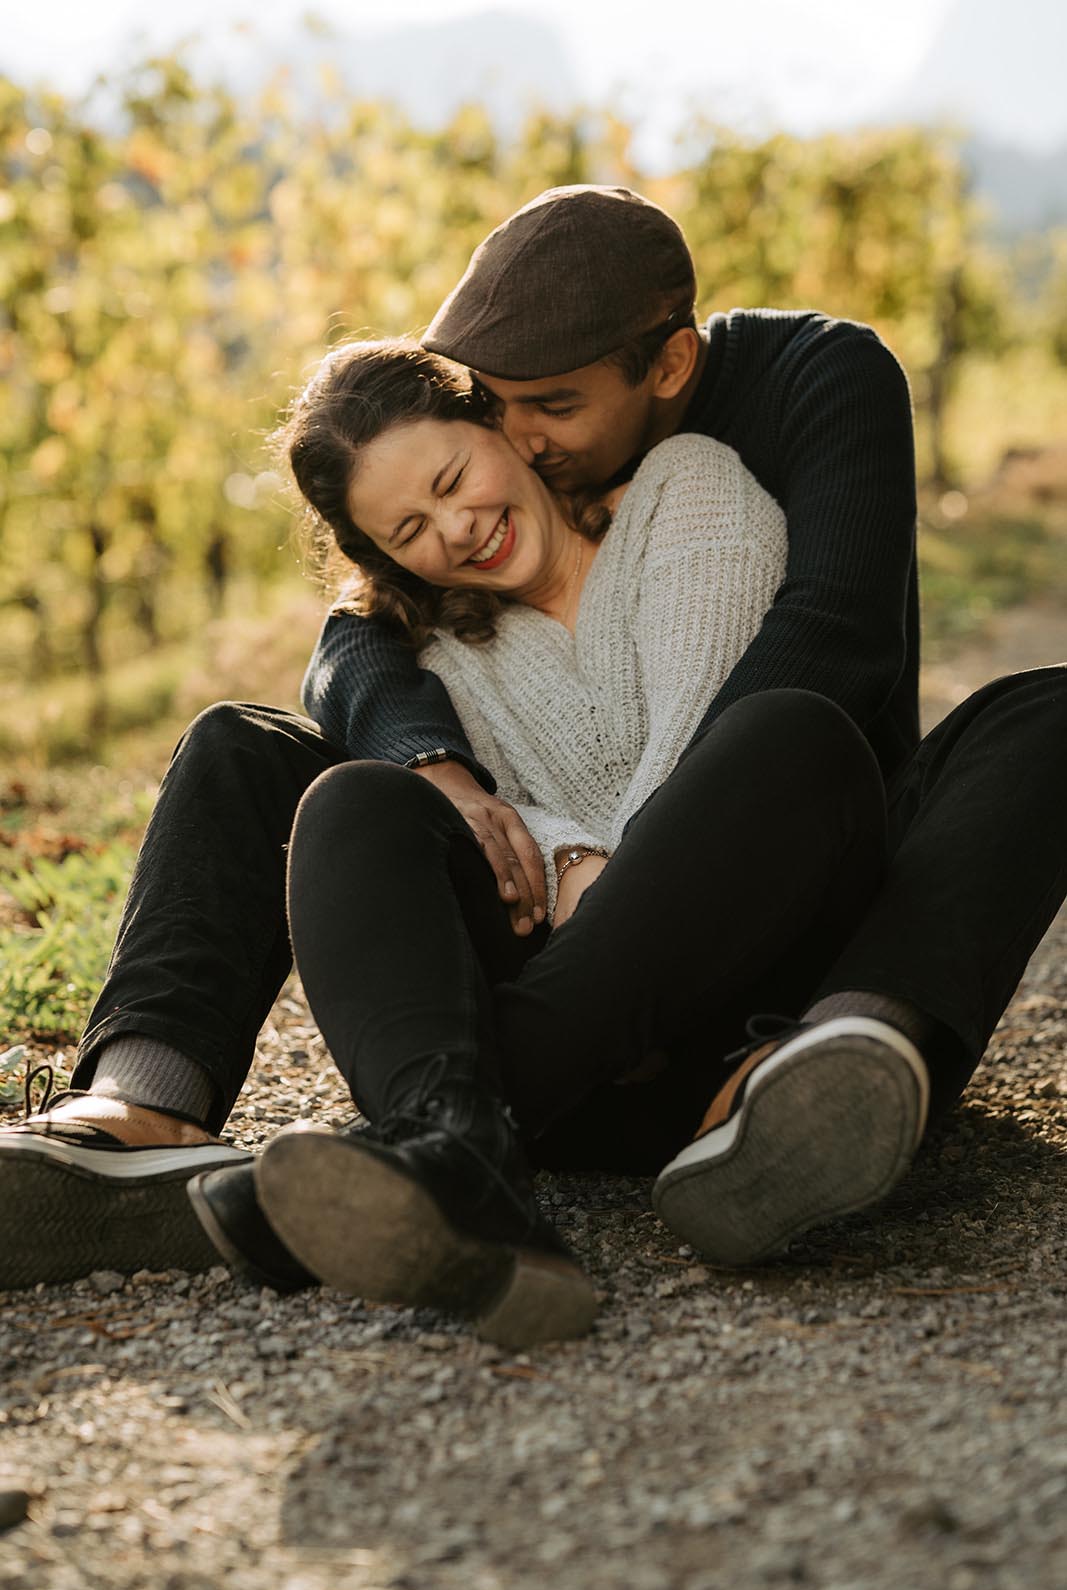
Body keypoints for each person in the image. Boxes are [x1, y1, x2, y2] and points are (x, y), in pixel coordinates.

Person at [2, 186, 1065, 1325]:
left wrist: (616, 868)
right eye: (492, 411)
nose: (517, 439)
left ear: (664, 370)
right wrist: (446, 776)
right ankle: (144, 1109)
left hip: (767, 914)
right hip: (587, 1014)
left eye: (535, 415)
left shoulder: (769, 420)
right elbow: (354, 628)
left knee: (985, 719)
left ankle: (797, 1079)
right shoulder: (446, 596)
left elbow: (824, 645)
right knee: (284, 764)